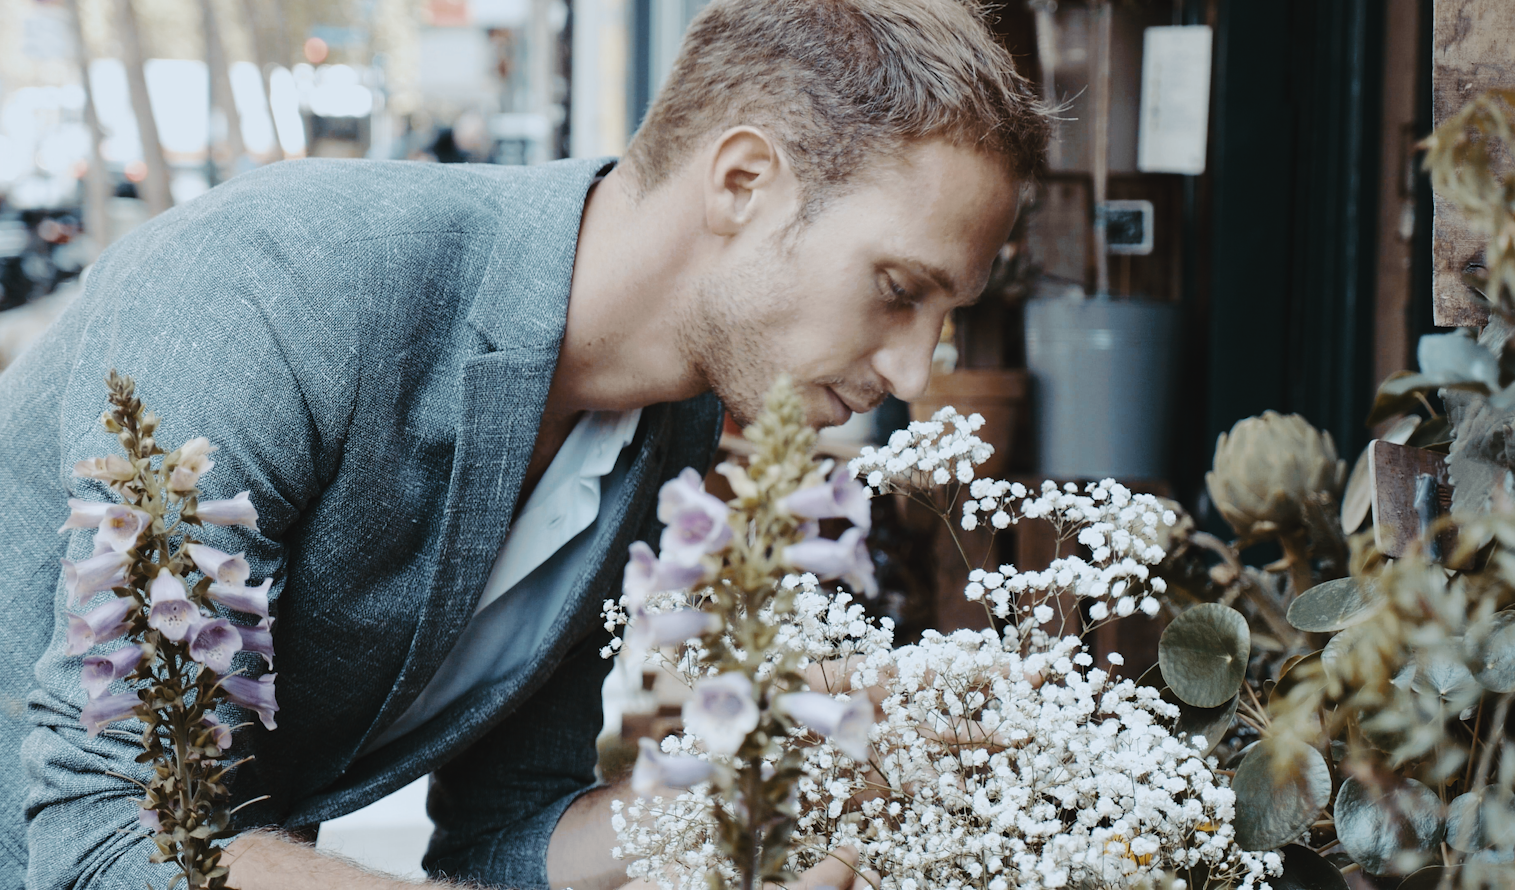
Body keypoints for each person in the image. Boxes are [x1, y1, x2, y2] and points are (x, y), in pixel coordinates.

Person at [0, 0, 1049, 887]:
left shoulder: (663, 417)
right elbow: (106, 835)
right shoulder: (284, 286)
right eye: (899, 290)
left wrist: (724, 792)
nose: (917, 372)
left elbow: (501, 832)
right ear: (741, 181)